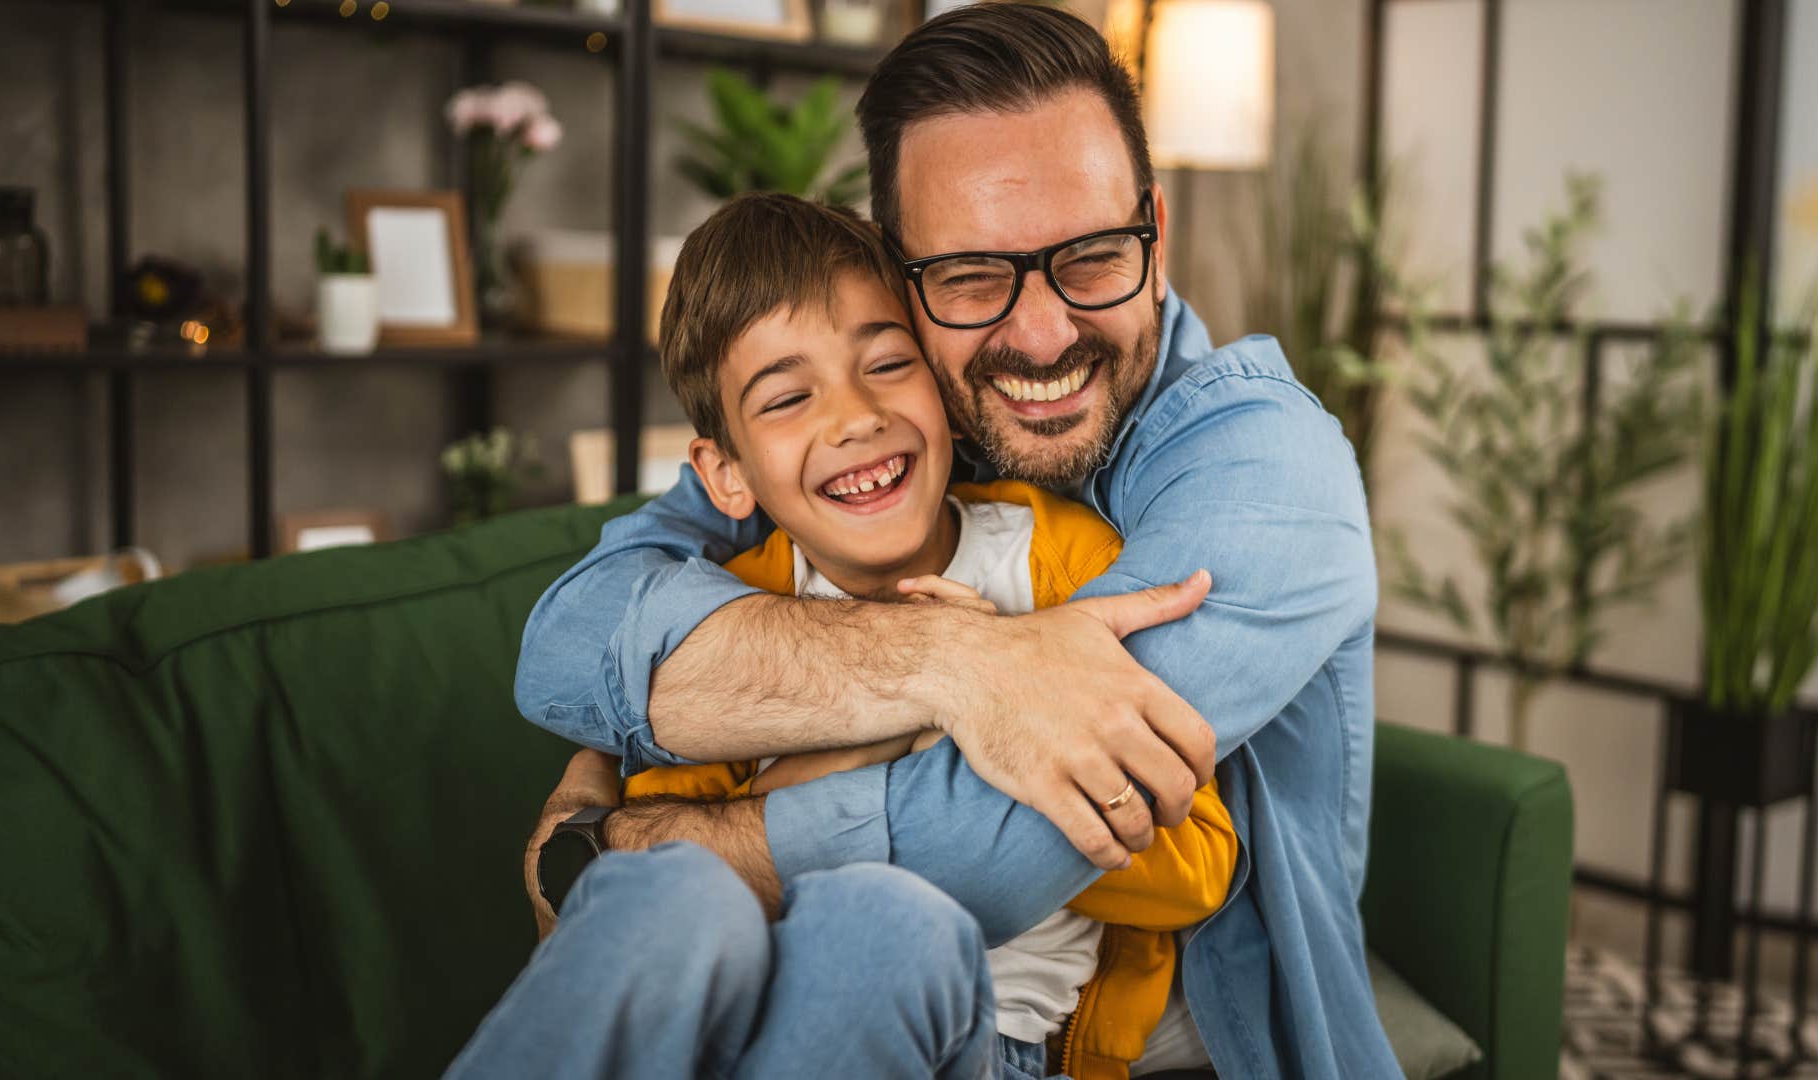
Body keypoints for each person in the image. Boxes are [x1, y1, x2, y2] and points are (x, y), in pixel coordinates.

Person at [503, 4, 1397, 1076]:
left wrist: (683, 838)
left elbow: (1005, 850)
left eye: (1092, 256)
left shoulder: (1267, 471)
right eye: (972, 275)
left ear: (1155, 237)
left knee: (877, 929)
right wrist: (960, 661)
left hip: (1175, 1046)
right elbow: (571, 646)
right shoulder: (903, 427)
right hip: (840, 1006)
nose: (1043, 335)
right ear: (906, 280)